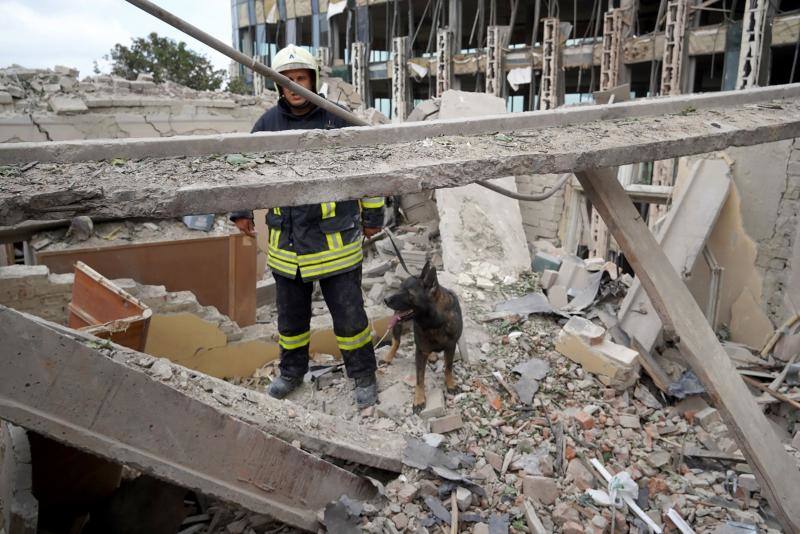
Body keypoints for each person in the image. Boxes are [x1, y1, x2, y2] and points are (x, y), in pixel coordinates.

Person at [230, 44, 385, 408]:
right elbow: (244, 170)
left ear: (313, 80)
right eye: (287, 80)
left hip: (336, 247)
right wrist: (241, 210)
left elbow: (369, 171)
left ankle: (363, 375)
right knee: (291, 322)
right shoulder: (266, 126)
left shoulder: (338, 120)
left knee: (350, 319)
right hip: (288, 251)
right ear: (277, 84)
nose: (294, 86)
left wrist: (373, 216)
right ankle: (291, 372)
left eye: (301, 78)